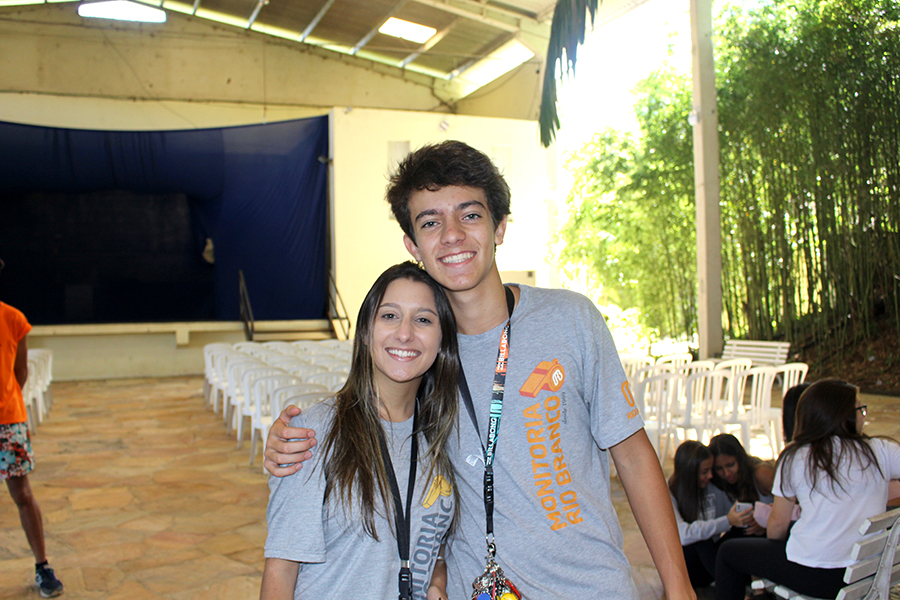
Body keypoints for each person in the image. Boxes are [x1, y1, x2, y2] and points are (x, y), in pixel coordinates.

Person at [264, 141, 695, 599]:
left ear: (499, 227)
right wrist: (294, 438)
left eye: (469, 215)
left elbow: (633, 455)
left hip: (591, 587)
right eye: (431, 222)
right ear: (413, 244)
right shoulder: (422, 355)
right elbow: (371, 413)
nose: (452, 235)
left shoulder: (571, 320)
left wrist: (679, 586)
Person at [261, 262, 459, 600]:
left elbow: (433, 542)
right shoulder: (313, 432)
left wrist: (436, 582)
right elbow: (281, 571)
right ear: (366, 330)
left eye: (424, 320)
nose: (405, 333)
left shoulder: (442, 434)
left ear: (442, 339)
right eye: (390, 316)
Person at [715, 379, 900, 599]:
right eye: (860, 409)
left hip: (815, 577)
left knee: (727, 553)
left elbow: (776, 526)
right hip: (868, 573)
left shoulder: (796, 456)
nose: (863, 416)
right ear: (843, 416)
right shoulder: (882, 450)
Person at [0, 259, 64, 598]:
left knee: (22, 494)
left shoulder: (13, 318)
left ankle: (43, 566)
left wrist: (7, 401)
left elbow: (20, 372)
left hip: (7, 420)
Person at [669, 441, 752, 589]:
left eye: (711, 470)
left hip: (711, 560)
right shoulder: (669, 490)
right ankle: (732, 589)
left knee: (743, 530)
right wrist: (727, 521)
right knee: (700, 539)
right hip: (686, 565)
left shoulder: (713, 486)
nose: (710, 475)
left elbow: (735, 513)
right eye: (704, 472)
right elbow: (683, 535)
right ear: (690, 472)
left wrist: (752, 520)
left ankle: (751, 582)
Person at [708, 433, 775, 514]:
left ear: (740, 460)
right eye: (719, 468)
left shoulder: (761, 473)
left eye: (731, 465)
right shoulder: (713, 481)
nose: (727, 473)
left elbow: (787, 503)